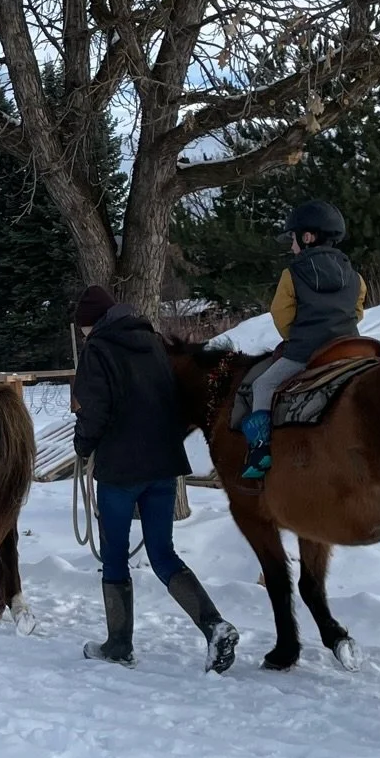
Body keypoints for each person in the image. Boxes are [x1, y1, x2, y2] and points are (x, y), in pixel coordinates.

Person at [71, 286, 241, 672]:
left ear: (90, 324)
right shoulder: (152, 341)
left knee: (114, 556)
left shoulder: (98, 350)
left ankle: (118, 644)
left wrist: (83, 446)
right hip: (163, 465)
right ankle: (214, 625)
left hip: (120, 468)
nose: (82, 334)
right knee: (163, 553)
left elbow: (94, 409)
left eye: (82, 328)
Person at [238, 199, 365, 479]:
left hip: (308, 351)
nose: (292, 246)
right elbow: (358, 311)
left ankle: (260, 452)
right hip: (352, 349)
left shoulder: (292, 273)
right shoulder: (355, 275)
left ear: (307, 237)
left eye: (294, 239)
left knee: (263, 385)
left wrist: (293, 338)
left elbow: (280, 312)